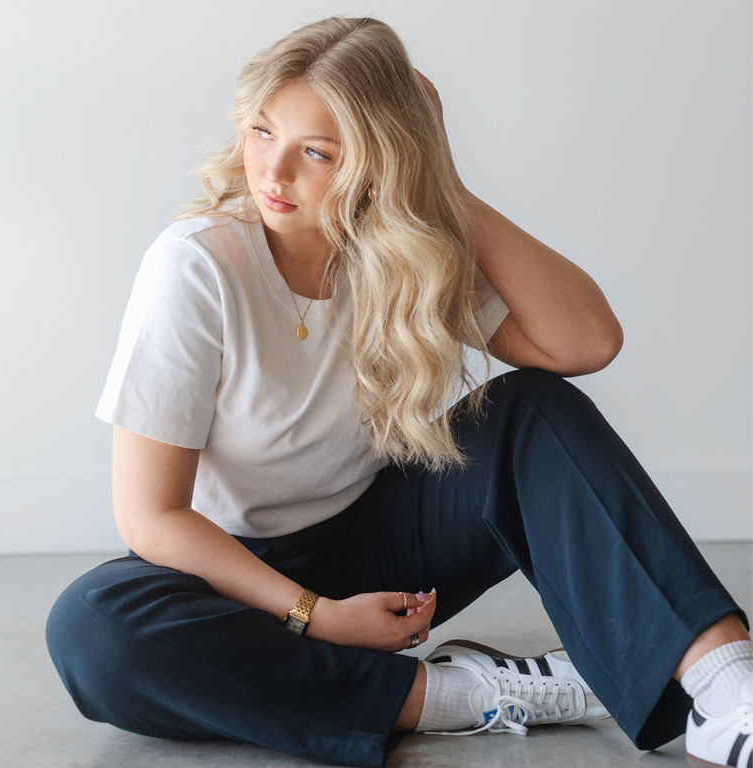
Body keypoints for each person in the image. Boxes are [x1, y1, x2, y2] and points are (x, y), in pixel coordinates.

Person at [44, 15, 752, 768]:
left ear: (378, 162)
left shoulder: (399, 246)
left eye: (316, 152)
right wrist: (316, 619)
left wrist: (440, 182)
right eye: (261, 133)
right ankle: (466, 694)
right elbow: (151, 517)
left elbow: (585, 343)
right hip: (228, 573)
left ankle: (729, 688)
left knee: (533, 411)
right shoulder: (194, 267)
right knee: (93, 631)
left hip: (374, 540)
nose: (273, 173)